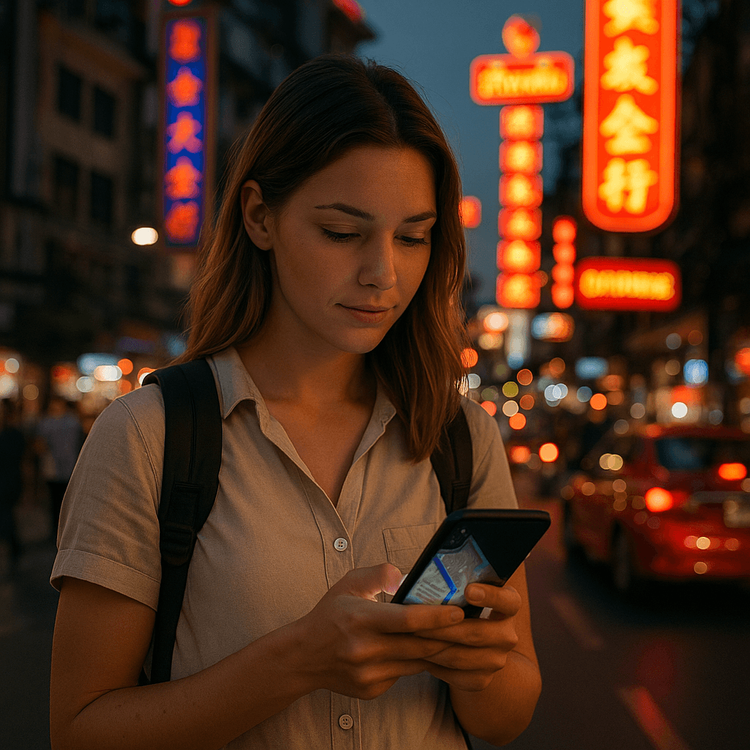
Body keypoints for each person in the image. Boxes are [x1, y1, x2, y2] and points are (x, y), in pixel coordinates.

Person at [49, 55, 542, 750]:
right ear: (259, 217)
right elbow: (79, 730)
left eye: (413, 237)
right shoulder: (151, 436)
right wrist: (300, 660)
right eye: (343, 233)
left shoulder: (458, 436)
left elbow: (506, 716)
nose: (383, 274)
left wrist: (474, 663)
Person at [36, 396, 84, 538]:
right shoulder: (74, 422)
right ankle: (64, 530)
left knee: (54, 501)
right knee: (67, 501)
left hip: (53, 469)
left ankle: (54, 531)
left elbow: (40, 445)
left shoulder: (47, 423)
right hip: (69, 468)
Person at [0, 399, 26, 572]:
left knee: (6, 514)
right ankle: (14, 548)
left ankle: (14, 548)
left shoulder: (12, 435)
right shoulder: (15, 434)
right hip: (11, 480)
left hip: (7, 481)